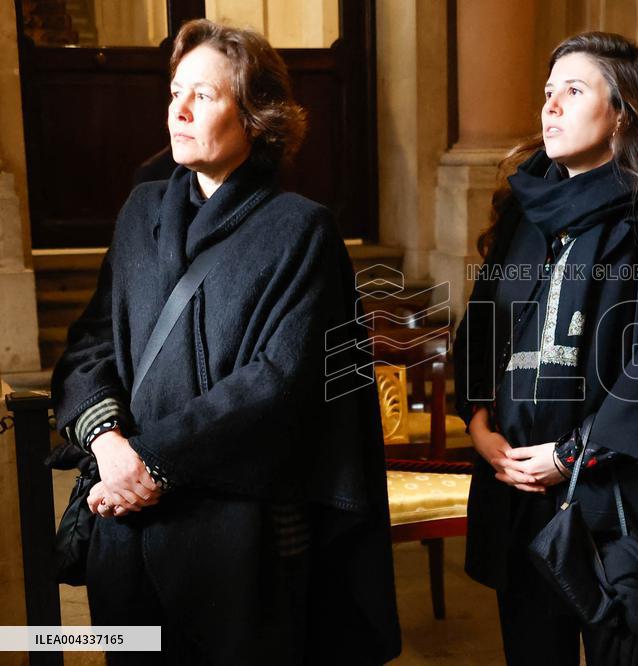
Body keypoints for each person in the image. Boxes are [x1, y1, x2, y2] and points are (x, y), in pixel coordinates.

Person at [51, 20, 400, 665]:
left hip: (238, 539)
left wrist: (148, 462)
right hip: (127, 527)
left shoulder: (301, 230)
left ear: (258, 117)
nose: (178, 111)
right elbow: (92, 341)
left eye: (203, 96)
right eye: (175, 93)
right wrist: (109, 444)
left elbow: (278, 383)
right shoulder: (140, 212)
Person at [454, 31, 638, 665]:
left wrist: (574, 455)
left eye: (573, 92)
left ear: (623, 111)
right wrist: (478, 421)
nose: (550, 107)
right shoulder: (525, 207)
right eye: (548, 93)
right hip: (517, 477)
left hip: (613, 491)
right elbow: (482, 328)